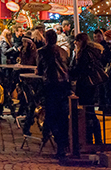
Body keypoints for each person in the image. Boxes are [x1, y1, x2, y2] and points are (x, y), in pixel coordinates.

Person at [37, 29, 71, 158]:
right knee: (63, 116)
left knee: (51, 116)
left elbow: (40, 70)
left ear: (46, 39)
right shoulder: (63, 51)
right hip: (64, 86)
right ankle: (63, 143)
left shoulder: (42, 52)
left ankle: (58, 141)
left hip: (51, 86)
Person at [70, 32, 105, 144]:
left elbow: (79, 69)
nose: (75, 43)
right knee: (90, 111)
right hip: (92, 85)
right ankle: (96, 139)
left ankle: (90, 139)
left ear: (81, 41)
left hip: (85, 85)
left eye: (77, 40)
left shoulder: (84, 53)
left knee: (87, 111)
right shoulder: (93, 51)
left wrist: (69, 72)